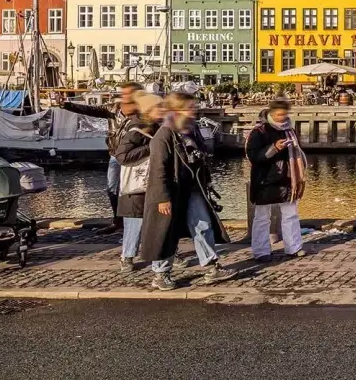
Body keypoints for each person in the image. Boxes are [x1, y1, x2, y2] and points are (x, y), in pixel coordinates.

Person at [138, 92, 230, 290]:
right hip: (172, 191)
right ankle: (161, 273)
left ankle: (211, 267)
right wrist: (162, 198)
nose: (193, 112)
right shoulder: (163, 136)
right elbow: (158, 170)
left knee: (202, 225)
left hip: (192, 188)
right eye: (189, 108)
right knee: (165, 232)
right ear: (177, 110)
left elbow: (200, 156)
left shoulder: (189, 131)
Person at [62, 82, 142, 222]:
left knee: (134, 190)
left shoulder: (142, 114)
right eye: (124, 93)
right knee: (112, 189)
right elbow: (90, 110)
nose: (124, 95)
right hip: (116, 155)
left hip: (134, 157)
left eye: (128, 93)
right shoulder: (113, 109)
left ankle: (134, 221)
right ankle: (118, 221)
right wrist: (66, 105)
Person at [246, 99, 307, 262]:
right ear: (271, 113)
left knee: (290, 214)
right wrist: (274, 148)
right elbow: (253, 156)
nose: (282, 117)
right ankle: (261, 251)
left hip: (288, 179)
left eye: (285, 114)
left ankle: (294, 247)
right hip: (265, 179)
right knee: (262, 217)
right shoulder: (259, 132)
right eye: (279, 114)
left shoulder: (290, 130)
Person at [114, 92, 162, 272]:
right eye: (158, 107)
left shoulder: (157, 127)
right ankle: (127, 256)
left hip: (152, 182)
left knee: (157, 221)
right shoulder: (136, 129)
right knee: (134, 222)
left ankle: (161, 254)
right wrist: (149, 147)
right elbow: (122, 156)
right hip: (137, 185)